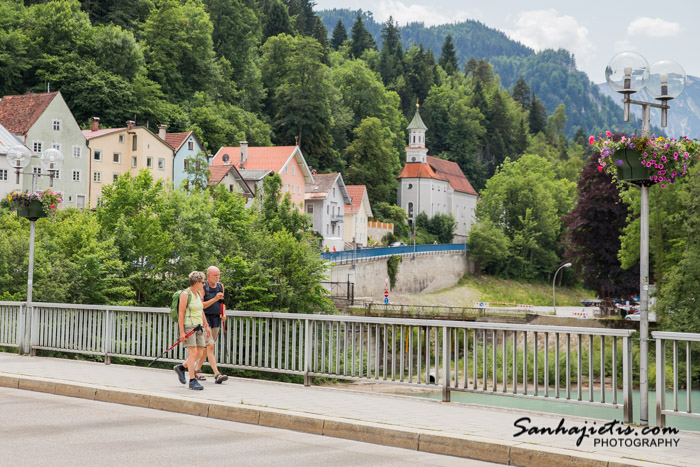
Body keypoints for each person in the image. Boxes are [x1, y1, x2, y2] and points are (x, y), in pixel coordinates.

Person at [173, 271, 211, 390]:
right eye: (202, 282)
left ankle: (181, 367)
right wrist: (182, 332)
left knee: (199, 353)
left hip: (199, 327)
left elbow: (201, 310)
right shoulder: (186, 294)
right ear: (196, 282)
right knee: (193, 353)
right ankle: (192, 381)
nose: (203, 284)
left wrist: (206, 325)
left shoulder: (198, 293)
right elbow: (181, 313)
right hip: (189, 326)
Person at [193, 266, 229, 384]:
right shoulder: (203, 287)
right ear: (208, 275)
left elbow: (222, 302)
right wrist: (214, 299)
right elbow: (201, 305)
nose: (217, 277)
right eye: (215, 275)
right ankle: (217, 374)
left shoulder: (220, 286)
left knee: (205, 348)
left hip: (216, 320)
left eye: (218, 275)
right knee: (210, 346)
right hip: (205, 320)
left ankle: (196, 370)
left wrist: (223, 313)